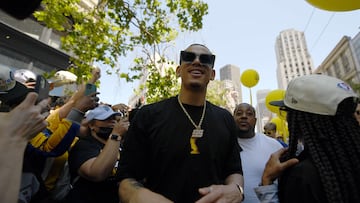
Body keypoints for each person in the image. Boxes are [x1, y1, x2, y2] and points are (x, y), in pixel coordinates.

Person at [117, 43, 244, 203]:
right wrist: (140, 196)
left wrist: (236, 189)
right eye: (189, 57)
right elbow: (125, 179)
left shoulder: (225, 118)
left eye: (205, 59)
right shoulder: (148, 115)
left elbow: (234, 171)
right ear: (178, 71)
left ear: (212, 74)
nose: (197, 61)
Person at [255, 74, 360, 203]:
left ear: (299, 120)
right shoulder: (350, 158)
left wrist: (267, 180)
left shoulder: (301, 175)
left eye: (288, 112)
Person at [66, 105, 129, 203]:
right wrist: (116, 135)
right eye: (106, 119)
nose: (112, 122)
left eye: (113, 118)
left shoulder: (119, 145)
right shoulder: (84, 145)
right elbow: (97, 173)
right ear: (92, 125)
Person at [234, 103, 283, 203]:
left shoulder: (274, 146)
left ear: (255, 121)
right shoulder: (222, 145)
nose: (244, 116)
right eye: (239, 113)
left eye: (249, 114)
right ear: (232, 118)